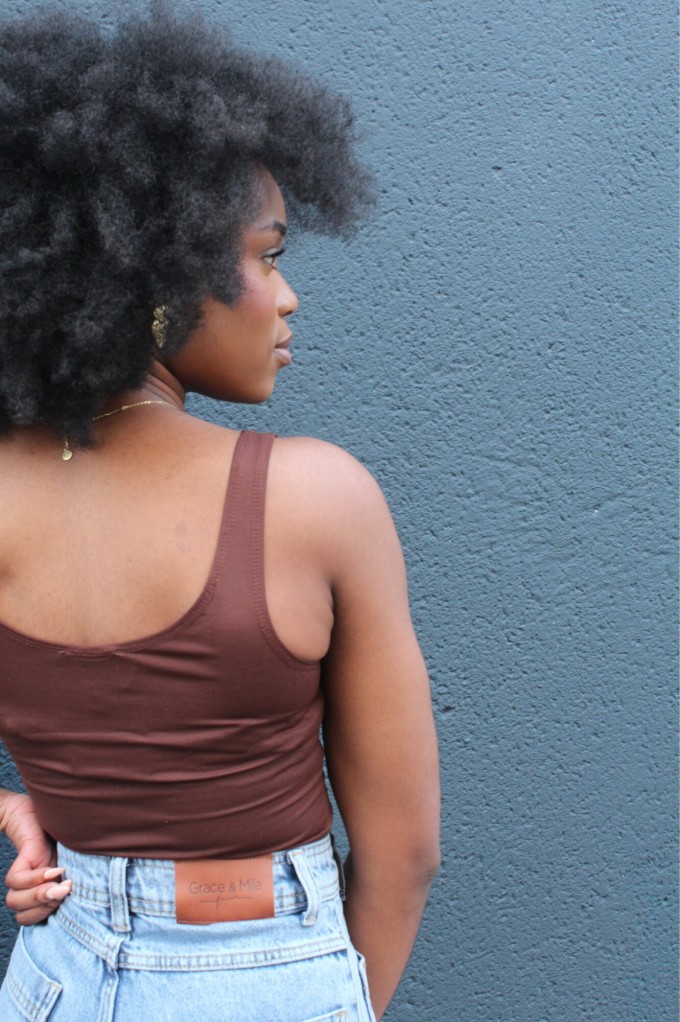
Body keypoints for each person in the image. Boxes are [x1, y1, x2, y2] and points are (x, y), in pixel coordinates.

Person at [0, 6, 440, 1021]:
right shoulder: (316, 497)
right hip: (264, 972)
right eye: (268, 255)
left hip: (53, 976)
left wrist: (15, 807)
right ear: (166, 278)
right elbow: (406, 851)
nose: (288, 299)